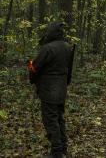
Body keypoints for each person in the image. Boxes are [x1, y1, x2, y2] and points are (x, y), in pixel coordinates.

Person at [28, 22, 73, 158]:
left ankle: (57, 152)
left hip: (49, 90)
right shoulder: (67, 47)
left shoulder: (47, 48)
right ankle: (63, 148)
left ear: (51, 32)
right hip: (61, 88)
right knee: (59, 118)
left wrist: (31, 68)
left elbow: (35, 68)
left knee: (51, 120)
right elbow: (68, 69)